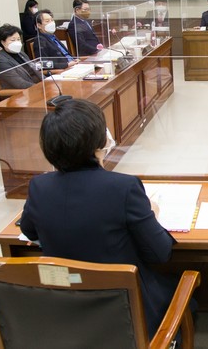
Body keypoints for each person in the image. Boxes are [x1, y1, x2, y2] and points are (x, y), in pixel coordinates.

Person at [19, 99, 179, 339]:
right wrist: (152, 213)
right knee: (176, 286)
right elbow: (161, 253)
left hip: (65, 310)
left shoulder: (39, 186)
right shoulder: (124, 188)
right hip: (126, 313)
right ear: (100, 141)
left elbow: (29, 231)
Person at [0, 24, 42, 89]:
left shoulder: (21, 54)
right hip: (26, 91)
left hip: (38, 85)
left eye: (18, 39)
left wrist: (47, 81)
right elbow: (20, 84)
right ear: (3, 42)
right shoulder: (2, 62)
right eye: (13, 40)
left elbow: (35, 70)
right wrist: (40, 87)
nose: (17, 42)